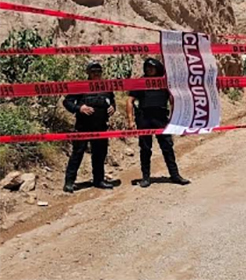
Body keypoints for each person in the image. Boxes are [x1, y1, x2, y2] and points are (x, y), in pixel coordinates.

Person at [126, 58, 190, 188]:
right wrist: (131, 120)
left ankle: (175, 175)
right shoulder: (140, 82)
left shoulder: (164, 82)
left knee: (167, 147)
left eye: (152, 67)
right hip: (144, 118)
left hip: (161, 118)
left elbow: (173, 99)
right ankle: (145, 178)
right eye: (147, 67)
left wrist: (175, 117)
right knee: (145, 149)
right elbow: (129, 101)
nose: (149, 69)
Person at [62, 61, 115, 193]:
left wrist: (113, 107)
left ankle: (99, 180)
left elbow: (112, 100)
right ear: (88, 73)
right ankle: (69, 182)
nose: (96, 74)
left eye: (98, 71)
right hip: (83, 127)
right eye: (93, 72)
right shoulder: (81, 86)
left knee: (100, 154)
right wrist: (79, 108)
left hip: (101, 127)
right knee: (77, 154)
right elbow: (67, 102)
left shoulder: (106, 87)